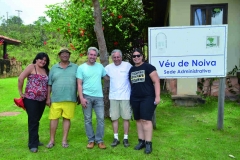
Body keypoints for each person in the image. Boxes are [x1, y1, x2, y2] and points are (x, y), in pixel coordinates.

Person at [129, 48, 160, 154]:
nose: (136, 57)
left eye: (138, 55)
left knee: (146, 120)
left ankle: (148, 144)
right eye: (134, 56)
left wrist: (157, 96)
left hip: (147, 97)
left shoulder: (149, 67)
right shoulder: (132, 70)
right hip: (135, 98)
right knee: (138, 120)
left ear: (142, 56)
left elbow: (156, 82)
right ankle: (141, 141)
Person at [46, 48, 78, 149]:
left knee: (67, 119)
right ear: (59, 55)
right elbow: (49, 84)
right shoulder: (54, 68)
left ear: (69, 55)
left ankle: (64, 140)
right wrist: (48, 98)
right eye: (62, 54)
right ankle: (52, 140)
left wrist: (80, 96)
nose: (65, 55)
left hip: (70, 98)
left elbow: (80, 83)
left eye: (67, 53)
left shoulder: (76, 67)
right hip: (55, 98)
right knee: (53, 119)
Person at [18, 52, 50, 153]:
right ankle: (32, 144)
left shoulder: (46, 70)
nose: (43, 61)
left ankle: (35, 139)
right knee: (33, 120)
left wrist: (48, 97)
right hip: (31, 99)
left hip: (42, 99)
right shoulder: (31, 67)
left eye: (45, 60)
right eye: (41, 59)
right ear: (36, 59)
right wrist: (21, 92)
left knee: (37, 119)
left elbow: (49, 85)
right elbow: (20, 78)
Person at [76, 47, 108, 149]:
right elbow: (79, 84)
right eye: (91, 54)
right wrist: (81, 98)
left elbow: (107, 77)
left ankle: (99, 140)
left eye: (94, 55)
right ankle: (91, 140)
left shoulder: (100, 67)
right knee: (88, 119)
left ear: (96, 56)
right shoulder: (81, 68)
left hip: (99, 97)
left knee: (101, 119)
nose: (92, 56)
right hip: (87, 97)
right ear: (87, 55)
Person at [105, 49, 132, 147]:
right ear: (112, 58)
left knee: (126, 118)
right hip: (113, 96)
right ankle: (116, 138)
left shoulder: (127, 65)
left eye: (118, 57)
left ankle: (125, 138)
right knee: (114, 118)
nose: (116, 59)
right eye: (114, 57)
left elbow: (132, 76)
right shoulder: (108, 67)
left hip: (125, 96)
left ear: (121, 57)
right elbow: (105, 77)